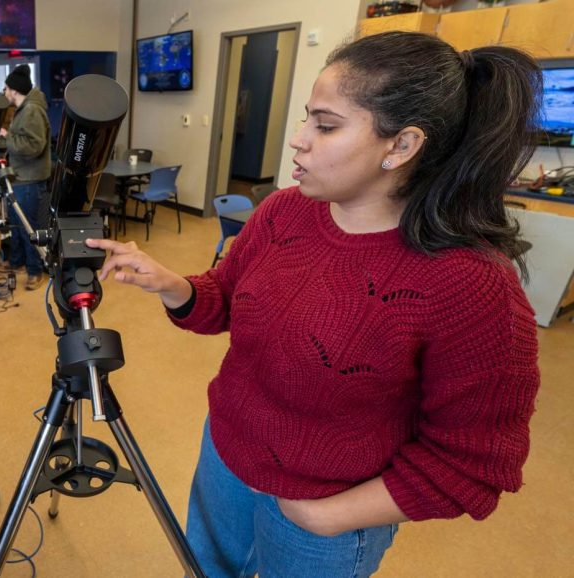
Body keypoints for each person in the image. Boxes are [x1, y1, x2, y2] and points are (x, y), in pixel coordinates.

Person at [87, 31, 542, 578]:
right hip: (226, 457)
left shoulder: (472, 286)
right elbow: (225, 300)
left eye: (325, 126)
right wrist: (170, 284)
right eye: (307, 119)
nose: (298, 141)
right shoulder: (284, 212)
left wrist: (329, 517)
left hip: (327, 511)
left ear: (401, 145)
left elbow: (474, 461)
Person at [0, 63, 51, 290]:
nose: (4, 92)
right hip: (19, 178)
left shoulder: (32, 110)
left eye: (6, 88)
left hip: (29, 180)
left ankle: (35, 271)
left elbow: (34, 146)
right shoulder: (23, 109)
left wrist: (6, 137)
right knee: (17, 225)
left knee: (29, 227)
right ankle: (18, 262)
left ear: (14, 90)